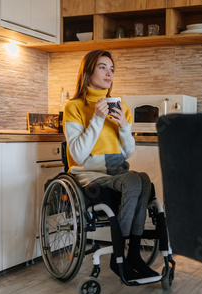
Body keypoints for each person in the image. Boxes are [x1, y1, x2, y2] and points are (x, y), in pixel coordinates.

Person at [63, 50, 158, 280]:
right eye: (102, 67)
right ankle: (120, 257)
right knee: (134, 180)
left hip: (116, 172)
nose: (109, 73)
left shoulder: (121, 108)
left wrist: (125, 127)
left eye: (112, 68)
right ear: (88, 71)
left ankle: (133, 254)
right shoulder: (74, 107)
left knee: (143, 178)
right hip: (89, 174)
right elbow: (77, 154)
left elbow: (127, 153)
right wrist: (96, 118)